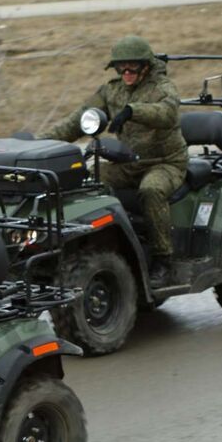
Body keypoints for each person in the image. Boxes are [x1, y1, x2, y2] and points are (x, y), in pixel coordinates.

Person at [39, 35, 187, 286]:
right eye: (121, 67)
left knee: (151, 190)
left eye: (133, 67)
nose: (127, 72)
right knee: (87, 181)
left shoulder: (163, 88)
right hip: (127, 162)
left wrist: (133, 110)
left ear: (146, 66)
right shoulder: (112, 90)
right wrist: (41, 142)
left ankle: (163, 259)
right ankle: (107, 241)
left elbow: (167, 113)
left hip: (164, 162)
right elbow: (79, 120)